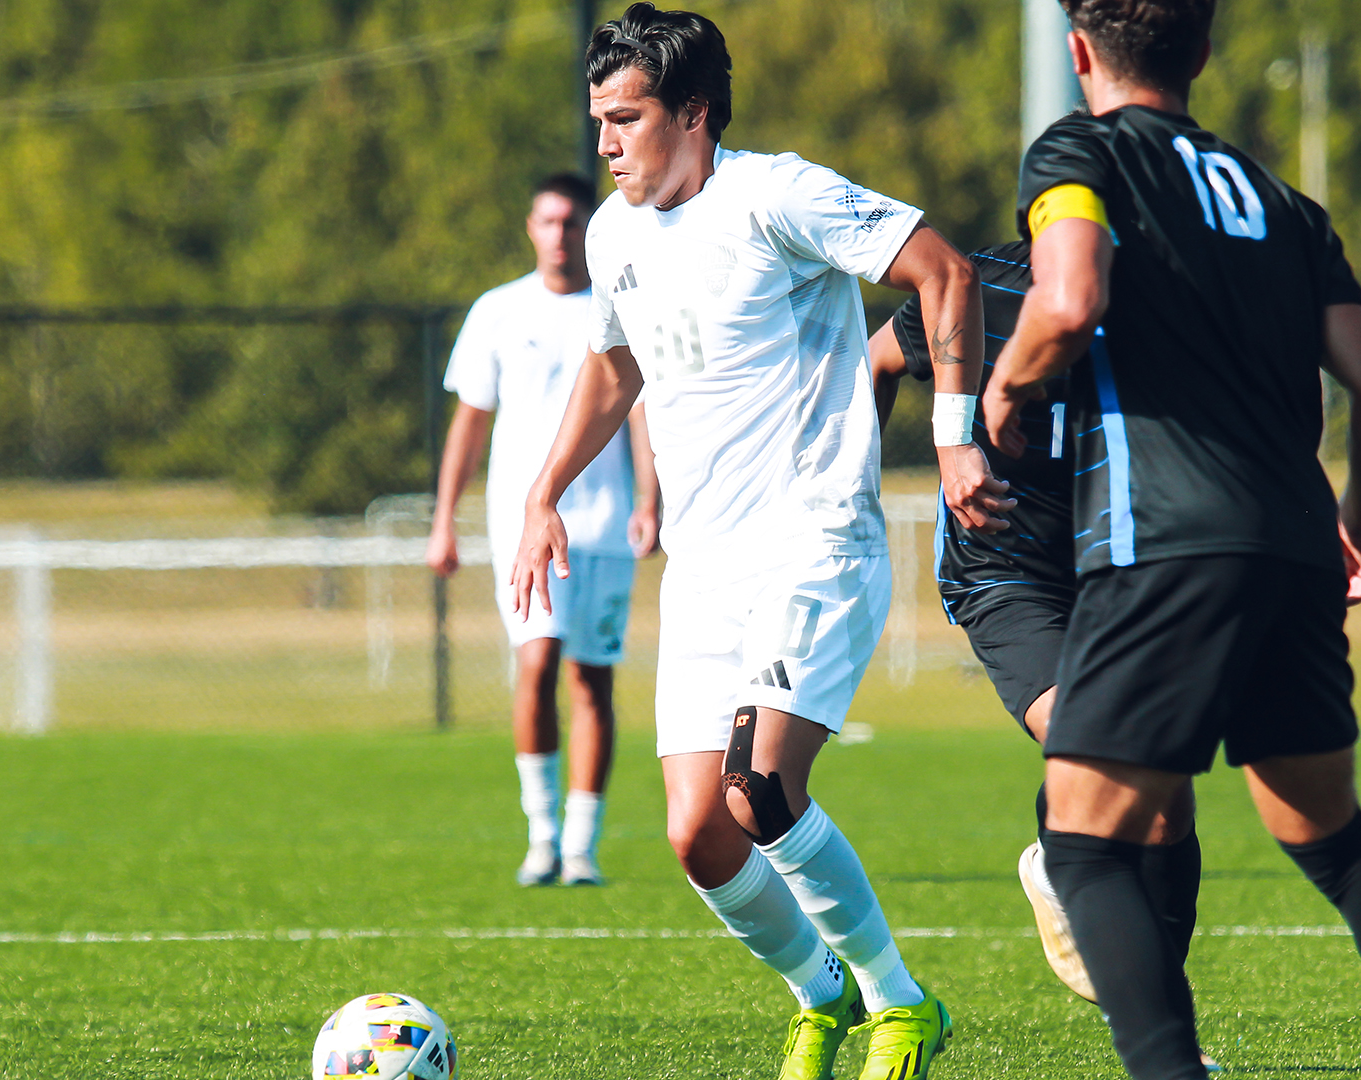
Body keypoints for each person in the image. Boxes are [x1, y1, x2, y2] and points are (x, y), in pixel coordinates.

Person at [982, 1, 1361, 1078]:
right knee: (1333, 840)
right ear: (1201, 54)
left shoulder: (1081, 152)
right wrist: (1359, 518)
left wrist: (1003, 386)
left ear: (1079, 53)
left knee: (1083, 847)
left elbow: (1067, 304)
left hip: (1165, 545)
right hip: (1297, 546)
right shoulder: (1284, 202)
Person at [510, 6, 1008, 1078]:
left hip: (813, 542)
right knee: (701, 836)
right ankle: (820, 997)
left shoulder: (776, 195)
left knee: (763, 788)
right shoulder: (613, 233)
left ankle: (900, 1006)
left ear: (691, 113)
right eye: (598, 119)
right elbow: (614, 367)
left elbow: (946, 273)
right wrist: (544, 489)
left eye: (625, 119)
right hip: (704, 570)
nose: (605, 142)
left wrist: (956, 440)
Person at [868, 241, 1201, 1009]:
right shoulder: (975, 287)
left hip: (1124, 576)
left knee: (1169, 794)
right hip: (1006, 574)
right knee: (1101, 741)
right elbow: (878, 361)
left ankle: (1160, 1020)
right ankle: (1063, 858)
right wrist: (863, 492)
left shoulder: (1174, 296)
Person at [427, 172, 662, 889]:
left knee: (592, 679)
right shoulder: (497, 312)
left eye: (571, 223)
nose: (559, 235)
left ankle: (583, 847)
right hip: (524, 527)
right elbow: (471, 422)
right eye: (548, 222)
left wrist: (650, 498)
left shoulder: (618, 305)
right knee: (536, 664)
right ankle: (542, 835)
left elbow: (641, 409)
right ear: (531, 228)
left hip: (602, 527)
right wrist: (445, 520)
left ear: (588, 230)